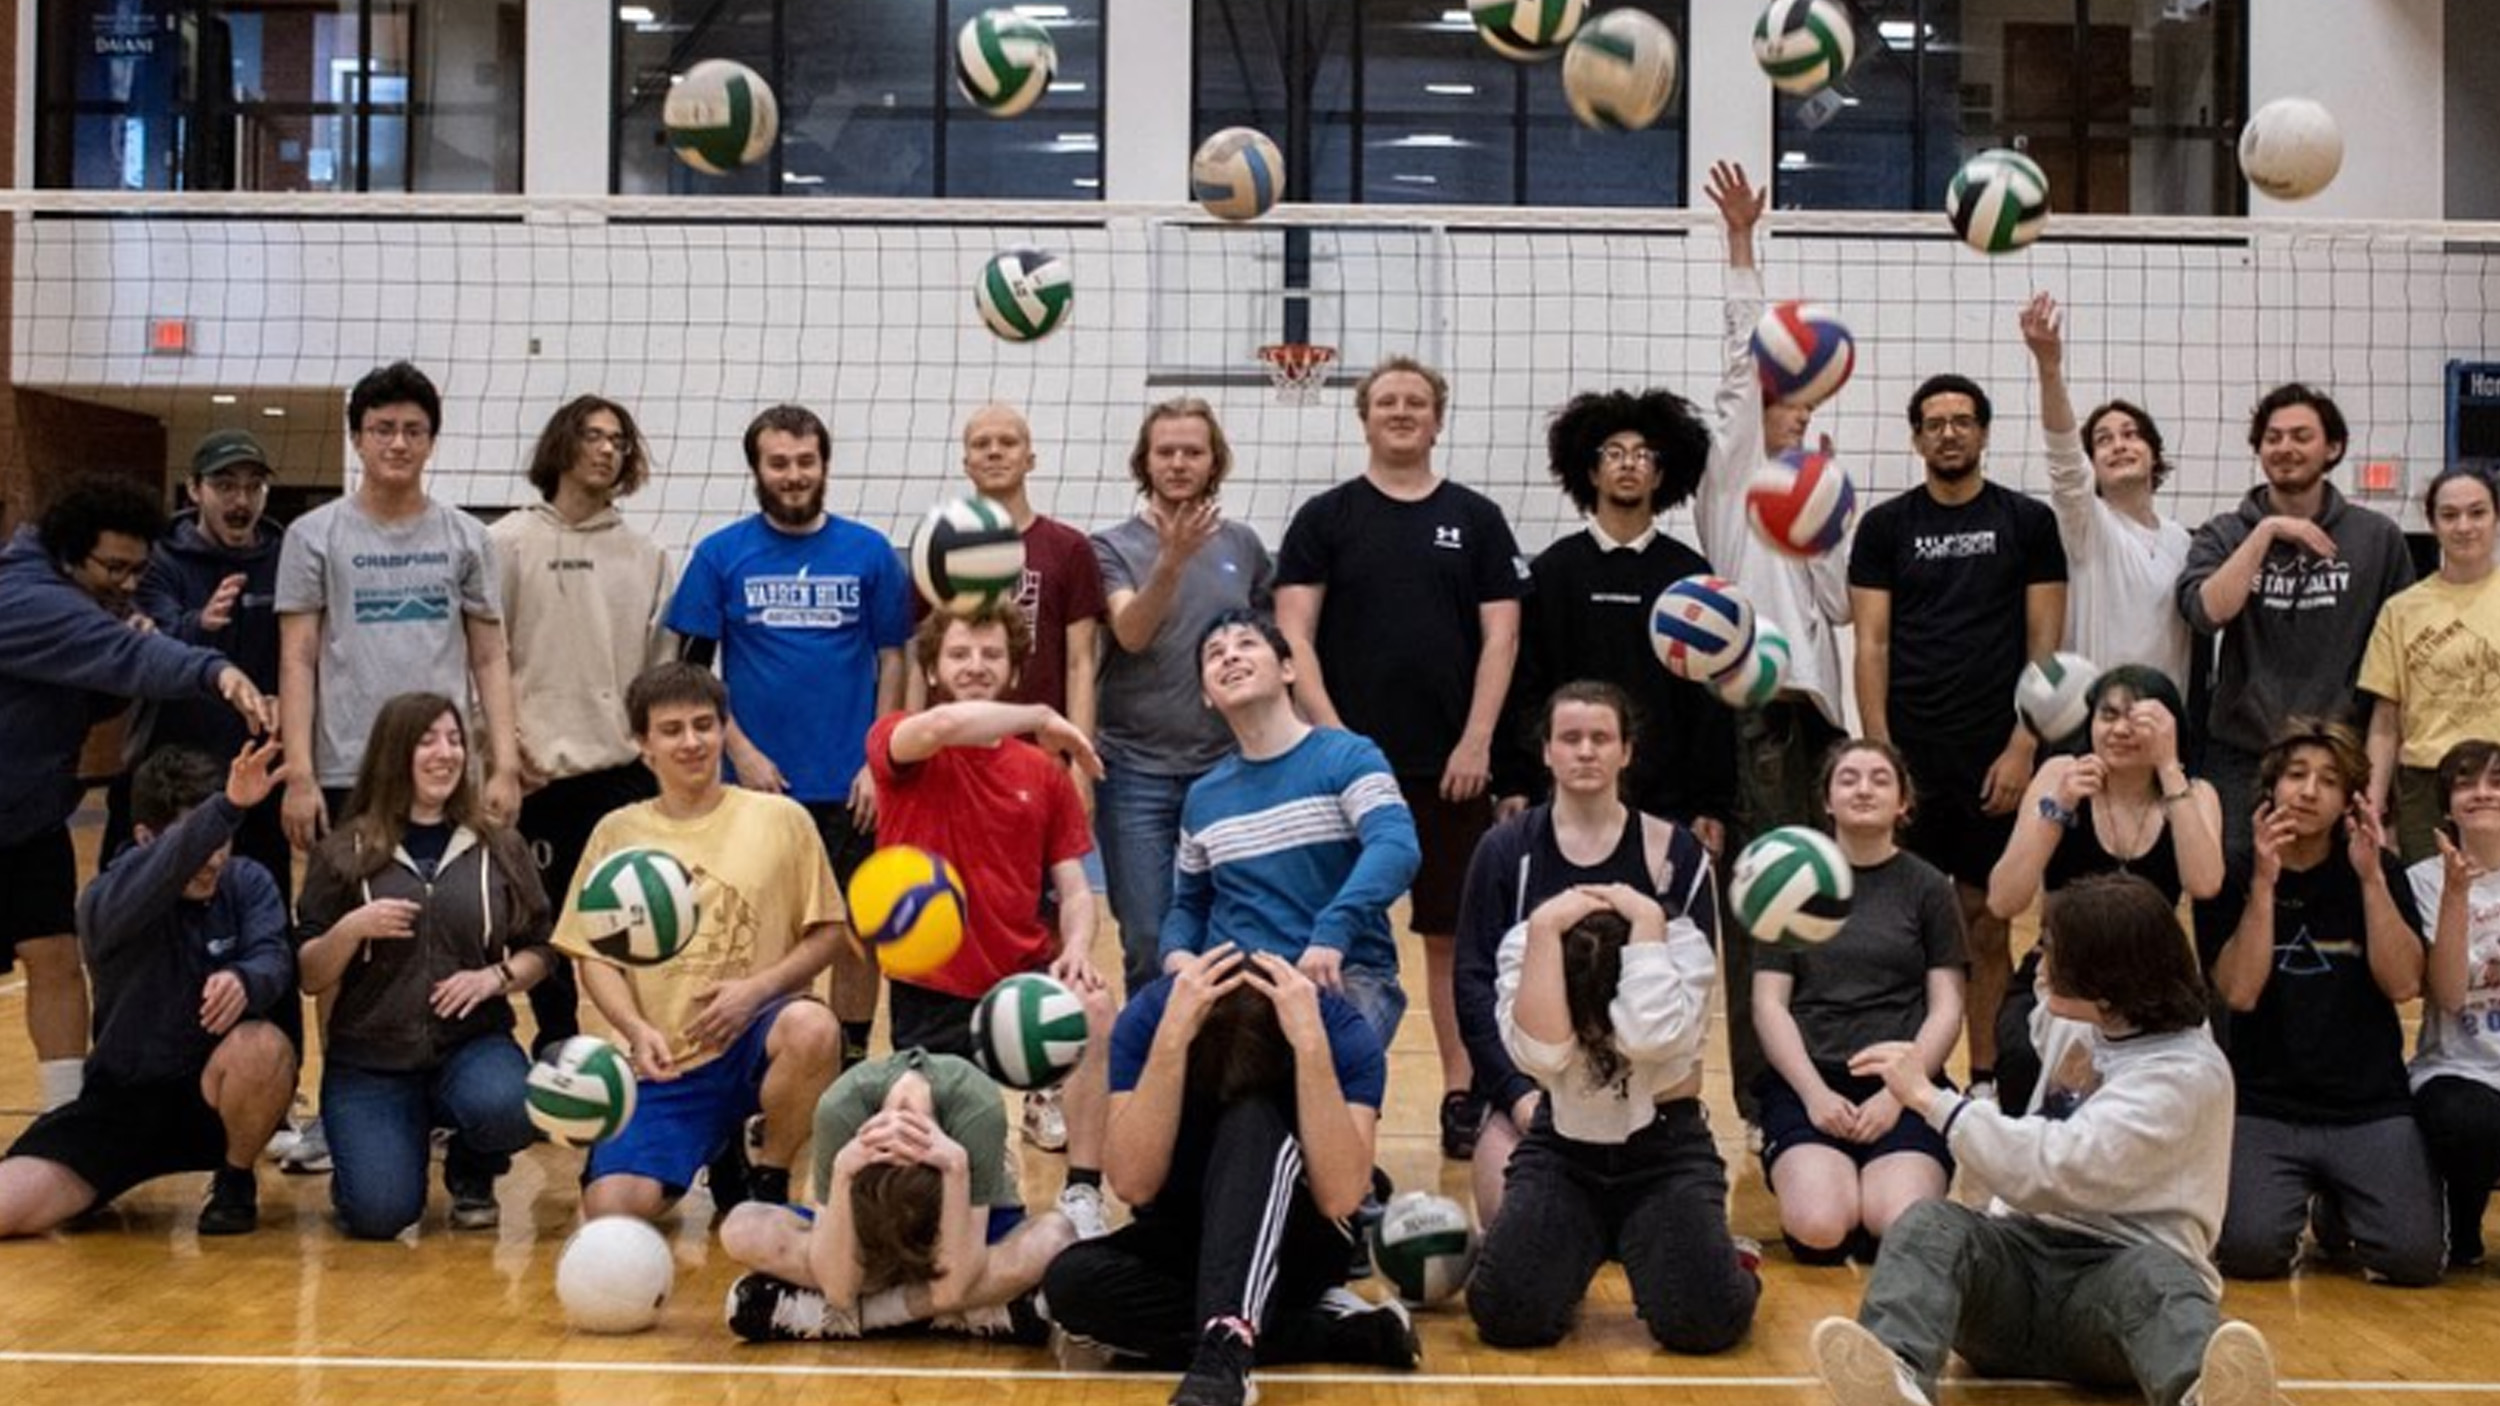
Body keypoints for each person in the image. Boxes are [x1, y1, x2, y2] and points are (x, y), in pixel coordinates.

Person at [1809, 876, 2281, 1406]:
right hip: (2016, 1281)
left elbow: (2054, 1166)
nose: (2041, 956)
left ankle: (2206, 1395)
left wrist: (1930, 1099)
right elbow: (2028, 941)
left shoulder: (2186, 1076)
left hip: (2111, 1299)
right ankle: (1895, 1382)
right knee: (1928, 1223)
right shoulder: (2090, 1019)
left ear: (2105, 986)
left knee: (2158, 1279)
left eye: (2054, 949)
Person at [1276, 355, 1525, 1160]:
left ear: (1437, 417)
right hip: (1345, 771)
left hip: (1449, 768)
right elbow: (1295, 639)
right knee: (1334, 933)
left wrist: (1479, 739)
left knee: (1453, 937)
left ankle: (1462, 1091)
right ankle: (1329, 1088)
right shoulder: (1327, 517)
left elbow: (1502, 637)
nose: (1402, 412)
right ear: (1365, 416)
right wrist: (1338, 743)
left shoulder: (1476, 519)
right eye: (1387, 401)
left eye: (1416, 401)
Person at [277, 361, 520, 1175]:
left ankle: (457, 1089)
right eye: (382, 429)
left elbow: (490, 654)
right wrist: (302, 772)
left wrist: (503, 760)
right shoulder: (315, 536)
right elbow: (299, 654)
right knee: (345, 941)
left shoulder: (465, 537)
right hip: (349, 767)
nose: (397, 442)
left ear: (431, 441)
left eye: (413, 430)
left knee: (451, 927)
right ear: (356, 439)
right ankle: (343, 1097)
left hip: (447, 769)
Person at [0, 476, 275, 1113]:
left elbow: (99, 686)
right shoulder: (26, 596)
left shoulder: (80, 594)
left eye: (137, 570)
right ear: (69, 554)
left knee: (57, 957)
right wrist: (217, 670)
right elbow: (125, 654)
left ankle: (66, 1114)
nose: (127, 584)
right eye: (114, 568)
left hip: (28, 819)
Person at [1041, 946, 1422, 1406]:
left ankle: (1227, 1350)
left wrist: (1311, 1049)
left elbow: (1341, 1198)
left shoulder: (1338, 1030)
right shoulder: (1153, 1019)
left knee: (1250, 1122)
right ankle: (1328, 1332)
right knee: (1071, 1284)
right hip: (1187, 1234)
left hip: (1296, 1243)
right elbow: (1132, 1185)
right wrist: (1170, 1043)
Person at [665, 403, 910, 1071]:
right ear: (757, 470)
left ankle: (854, 1058)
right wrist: (739, 751)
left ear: (824, 465)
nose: (794, 475)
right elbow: (688, 670)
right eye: (780, 463)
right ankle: (785, 1059)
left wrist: (877, 758)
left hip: (852, 783)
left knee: (860, 928)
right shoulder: (721, 555)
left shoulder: (870, 553)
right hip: (759, 788)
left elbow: (895, 657)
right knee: (776, 933)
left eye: (806, 461)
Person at [556, 662, 846, 1220]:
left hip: (757, 1042)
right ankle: (716, 1147)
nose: (691, 742)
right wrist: (636, 1031)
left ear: (722, 729)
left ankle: (769, 1175)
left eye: (704, 725)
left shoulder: (781, 818)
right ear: (643, 745)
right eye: (671, 730)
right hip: (668, 1061)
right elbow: (592, 958)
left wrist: (756, 991)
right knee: (612, 1211)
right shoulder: (616, 833)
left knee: (813, 1027)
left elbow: (831, 933)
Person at [1848, 373, 2068, 1100]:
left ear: (1983, 432)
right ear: (1916, 437)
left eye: (1963, 420)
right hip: (1911, 754)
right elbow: (1872, 645)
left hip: (1993, 752)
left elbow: (2046, 651)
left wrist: (2023, 743)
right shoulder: (1885, 528)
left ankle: (1982, 1079)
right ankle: (1910, 1075)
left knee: (1986, 918)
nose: (1949, 432)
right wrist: (1880, 755)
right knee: (1899, 928)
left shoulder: (2028, 522)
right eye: (1935, 422)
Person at [1692, 160, 1854, 1131]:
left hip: (1822, 722)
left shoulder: (1823, 488)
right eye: (1782, 400)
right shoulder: (1731, 477)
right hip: (1751, 714)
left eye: (1806, 404)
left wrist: (1831, 509)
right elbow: (1739, 370)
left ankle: (1823, 1072)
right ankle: (1762, 1095)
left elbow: (1835, 603)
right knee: (1760, 908)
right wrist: (1742, 249)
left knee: (1829, 904)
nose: (1795, 409)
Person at [0, 741, 295, 1237]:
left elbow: (274, 958)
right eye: (198, 844)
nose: (212, 859)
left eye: (221, 841)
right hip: (123, 1105)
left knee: (264, 1047)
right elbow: (159, 873)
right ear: (144, 838)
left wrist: (245, 980)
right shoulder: (108, 900)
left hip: (211, 1099)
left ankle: (235, 1179)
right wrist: (224, 808)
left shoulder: (247, 883)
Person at [293, 692, 558, 1239]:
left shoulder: (499, 845)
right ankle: (376, 1152)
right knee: (380, 1216)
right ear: (394, 754)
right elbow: (309, 973)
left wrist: (496, 978)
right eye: (428, 740)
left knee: (508, 1106)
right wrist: (350, 929)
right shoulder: (343, 851)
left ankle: (472, 1167)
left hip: (471, 1045)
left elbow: (543, 948)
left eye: (456, 739)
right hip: (370, 1061)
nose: (446, 753)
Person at [1454, 680, 1717, 1223]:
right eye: (1570, 738)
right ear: (1547, 752)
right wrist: (1516, 1093)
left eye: (1601, 737)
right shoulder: (1505, 850)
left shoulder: (1676, 854)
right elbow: (1473, 983)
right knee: (1508, 1224)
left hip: (1647, 1098)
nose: (1586, 750)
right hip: (1535, 1089)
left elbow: (1694, 1000)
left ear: (1627, 751)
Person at [1466, 882, 1758, 1354]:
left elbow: (1649, 1037)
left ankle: (1732, 1261)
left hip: (1666, 1151)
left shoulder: (1682, 948)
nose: (1597, 1034)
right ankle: (1580, 1251)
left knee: (1702, 1324)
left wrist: (1646, 921)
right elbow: (1543, 1054)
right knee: (1507, 1315)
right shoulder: (1527, 944)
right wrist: (1544, 928)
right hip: (1563, 1149)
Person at [2202, 718, 2443, 1286]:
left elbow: (2404, 983)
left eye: (2329, 781)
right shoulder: (2233, 872)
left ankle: (2336, 1205)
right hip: (2266, 1105)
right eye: (2296, 775)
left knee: (2413, 1262)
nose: (2309, 791)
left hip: (2367, 1106)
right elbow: (2239, 991)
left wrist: (2371, 881)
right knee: (2248, 1255)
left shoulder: (2378, 870)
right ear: (2272, 788)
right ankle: (2312, 1189)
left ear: (2349, 801)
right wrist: (2264, 885)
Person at [868, 600, 1104, 1168]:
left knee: (1095, 1006)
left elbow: (1074, 888)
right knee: (943, 1151)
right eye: (959, 654)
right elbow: (947, 724)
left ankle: (1082, 1188)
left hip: (1019, 981)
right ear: (931, 671)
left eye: (992, 654)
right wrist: (1042, 715)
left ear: (1014, 671)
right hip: (932, 983)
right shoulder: (899, 739)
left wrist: (1076, 948)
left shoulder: (1042, 773)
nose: (976, 665)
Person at [716, 1017, 1114, 1342]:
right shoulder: (840, 1107)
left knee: (1056, 1236)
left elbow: (953, 1283)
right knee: (742, 1227)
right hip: (867, 1230)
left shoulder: (975, 1106)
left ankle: (843, 1318)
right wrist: (842, 1173)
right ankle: (968, 1316)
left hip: (958, 1228)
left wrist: (955, 1167)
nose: (900, 1125)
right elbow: (838, 1285)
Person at [492, 394, 675, 1054]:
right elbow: (484, 655)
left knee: (634, 924)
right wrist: (504, 750)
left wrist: (648, 753)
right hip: (537, 775)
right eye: (593, 436)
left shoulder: (647, 555)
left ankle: (649, 1046)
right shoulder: (508, 542)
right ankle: (557, 1044)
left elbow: (661, 674)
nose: (606, 450)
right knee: (541, 926)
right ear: (563, 444)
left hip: (618, 776)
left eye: (619, 441)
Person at [1158, 610, 1421, 1050]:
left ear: (1287, 669)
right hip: (1237, 986)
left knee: (1317, 1074)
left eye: (1246, 644)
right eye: (1214, 654)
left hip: (1343, 975)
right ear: (1206, 695)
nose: (1230, 657)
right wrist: (1176, 954)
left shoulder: (1348, 756)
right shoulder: (1203, 797)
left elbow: (1396, 847)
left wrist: (1332, 934)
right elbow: (1190, 903)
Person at [2178, 383, 2415, 858]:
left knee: (2342, 897)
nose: (2285, 447)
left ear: (2332, 448)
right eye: (2273, 437)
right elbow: (2207, 612)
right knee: (2230, 891)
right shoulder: (2225, 532)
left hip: (2339, 755)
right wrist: (2267, 532)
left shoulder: (2377, 538)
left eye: (2301, 436)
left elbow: (2401, 660)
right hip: (2243, 752)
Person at [1753, 739, 1966, 1264]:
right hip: (1812, 1081)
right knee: (1820, 1226)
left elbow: (1947, 1007)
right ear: (1826, 800)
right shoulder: (1790, 883)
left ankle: (1876, 1182)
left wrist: (1901, 1092)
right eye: (1848, 779)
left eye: (1879, 779)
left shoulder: (1929, 887)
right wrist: (1813, 1095)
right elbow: (1769, 1005)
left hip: (1905, 1086)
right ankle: (1827, 1176)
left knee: (1898, 1226)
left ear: (1902, 803)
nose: (1863, 789)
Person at [1494, 388, 1735, 849]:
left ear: (1661, 474)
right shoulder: (1552, 571)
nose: (1629, 464)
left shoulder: (1689, 574)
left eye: (1644, 455)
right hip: (1566, 794)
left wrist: (1712, 803)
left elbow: (1710, 702)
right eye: (1615, 453)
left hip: (1668, 802)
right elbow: (1525, 684)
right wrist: (1514, 781)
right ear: (1590, 470)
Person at [1093, 398, 1275, 995]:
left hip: (1225, 766)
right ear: (1144, 462)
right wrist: (1170, 562)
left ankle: (1216, 1068)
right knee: (1147, 937)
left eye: (1192, 452)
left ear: (1214, 460)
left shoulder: (1244, 547)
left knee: (1232, 934)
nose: (1178, 463)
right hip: (1134, 767)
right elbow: (1131, 633)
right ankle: (1150, 1069)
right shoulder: (1112, 547)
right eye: (1165, 452)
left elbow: (1269, 655)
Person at [1986, 665, 2225, 1113]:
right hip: (2061, 970)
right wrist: (2057, 809)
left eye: (2137, 720)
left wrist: (2169, 769)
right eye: (2108, 715)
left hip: (2153, 980)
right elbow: (2004, 899)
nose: (2119, 729)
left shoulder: (2193, 792)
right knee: (2020, 1056)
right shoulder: (2060, 772)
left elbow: (2205, 883)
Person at [116, 429, 292, 895]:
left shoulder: (287, 558)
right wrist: (200, 623)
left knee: (260, 899)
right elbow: (150, 649)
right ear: (194, 490)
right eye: (226, 485)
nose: (241, 500)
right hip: (170, 764)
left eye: (253, 486)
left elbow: (305, 651)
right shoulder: (157, 560)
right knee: (153, 899)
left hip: (254, 764)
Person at [907, 405, 1106, 762]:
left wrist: (1079, 761)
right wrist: (911, 740)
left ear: (1030, 459)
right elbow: (920, 661)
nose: (995, 451)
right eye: (981, 444)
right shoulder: (938, 546)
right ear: (966, 463)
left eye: (1008, 442)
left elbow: (1081, 663)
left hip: (1040, 754)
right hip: (950, 752)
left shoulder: (1069, 547)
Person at [2016, 293, 2194, 688]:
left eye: (2131, 435)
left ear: (2153, 453)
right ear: (2092, 463)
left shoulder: (2181, 540)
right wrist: (2049, 366)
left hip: (2161, 720)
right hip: (2095, 720)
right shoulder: (2088, 525)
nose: (2119, 445)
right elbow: (2064, 460)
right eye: (2103, 439)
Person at [2361, 467, 2500, 863]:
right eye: (2450, 515)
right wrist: (2373, 801)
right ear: (2432, 524)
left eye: (2477, 513)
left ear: (2496, 517)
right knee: (2431, 906)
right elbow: (2386, 722)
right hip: (2427, 784)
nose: (2464, 526)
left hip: (2498, 775)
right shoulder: (2402, 609)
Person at [2408, 738, 2500, 1269]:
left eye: (2494, 782)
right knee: (2468, 1121)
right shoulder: (2423, 881)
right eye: (2466, 782)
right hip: (2457, 1069)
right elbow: (2447, 993)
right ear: (2447, 804)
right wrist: (2457, 896)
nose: (2482, 793)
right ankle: (2460, 1224)